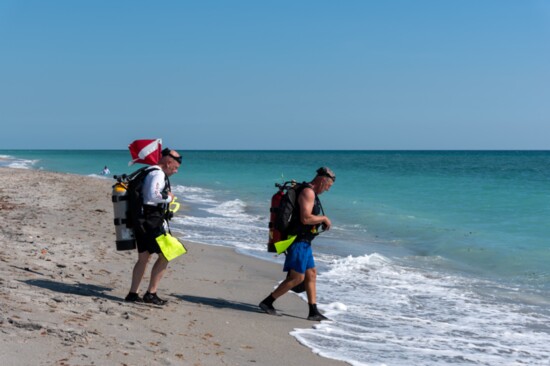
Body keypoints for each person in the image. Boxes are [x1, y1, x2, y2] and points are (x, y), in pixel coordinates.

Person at [259, 167, 335, 321]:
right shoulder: (308, 192)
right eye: (328, 186)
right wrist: (323, 219)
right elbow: (305, 219)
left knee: (311, 274)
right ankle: (267, 302)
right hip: (297, 240)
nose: (327, 189)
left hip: (304, 241)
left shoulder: (309, 191)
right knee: (297, 278)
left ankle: (313, 311)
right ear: (322, 180)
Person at [125, 148, 182, 306]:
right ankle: (151, 293)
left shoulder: (148, 171)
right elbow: (153, 195)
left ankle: (132, 293)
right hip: (151, 221)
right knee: (167, 254)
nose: (176, 171)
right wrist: (168, 198)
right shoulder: (157, 173)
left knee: (143, 258)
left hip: (141, 220)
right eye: (175, 168)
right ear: (168, 162)